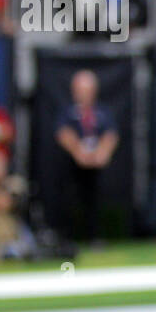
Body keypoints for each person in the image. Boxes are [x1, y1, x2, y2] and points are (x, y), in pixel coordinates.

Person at [54, 69, 118, 245]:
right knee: (70, 199)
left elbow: (110, 134)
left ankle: (94, 236)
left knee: (95, 199)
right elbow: (63, 133)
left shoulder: (102, 112)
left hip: (96, 165)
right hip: (73, 165)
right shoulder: (68, 112)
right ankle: (67, 237)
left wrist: (102, 152)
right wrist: (78, 151)